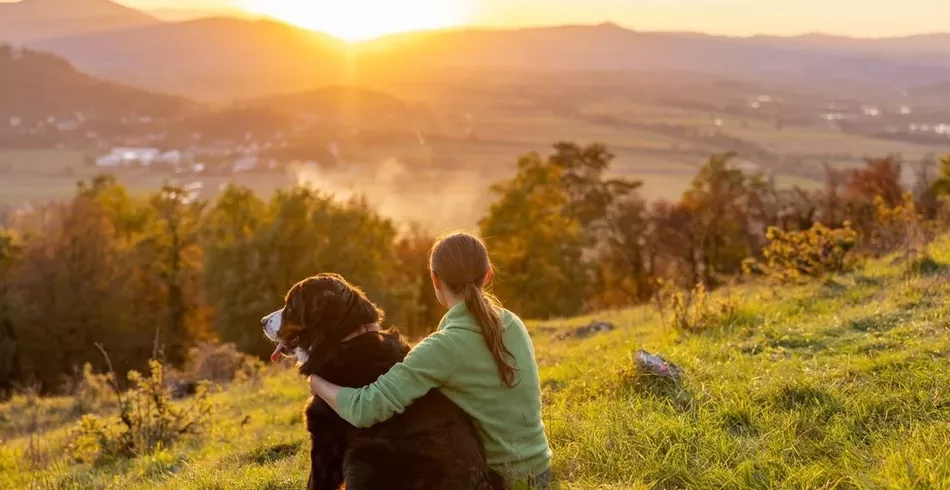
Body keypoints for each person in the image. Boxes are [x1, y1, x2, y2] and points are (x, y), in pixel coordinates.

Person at [308, 231, 553, 489]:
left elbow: (365, 408)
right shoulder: (513, 322)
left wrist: (318, 384)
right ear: (488, 274)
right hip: (540, 472)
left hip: (500, 480)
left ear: (434, 279)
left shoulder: (441, 348)